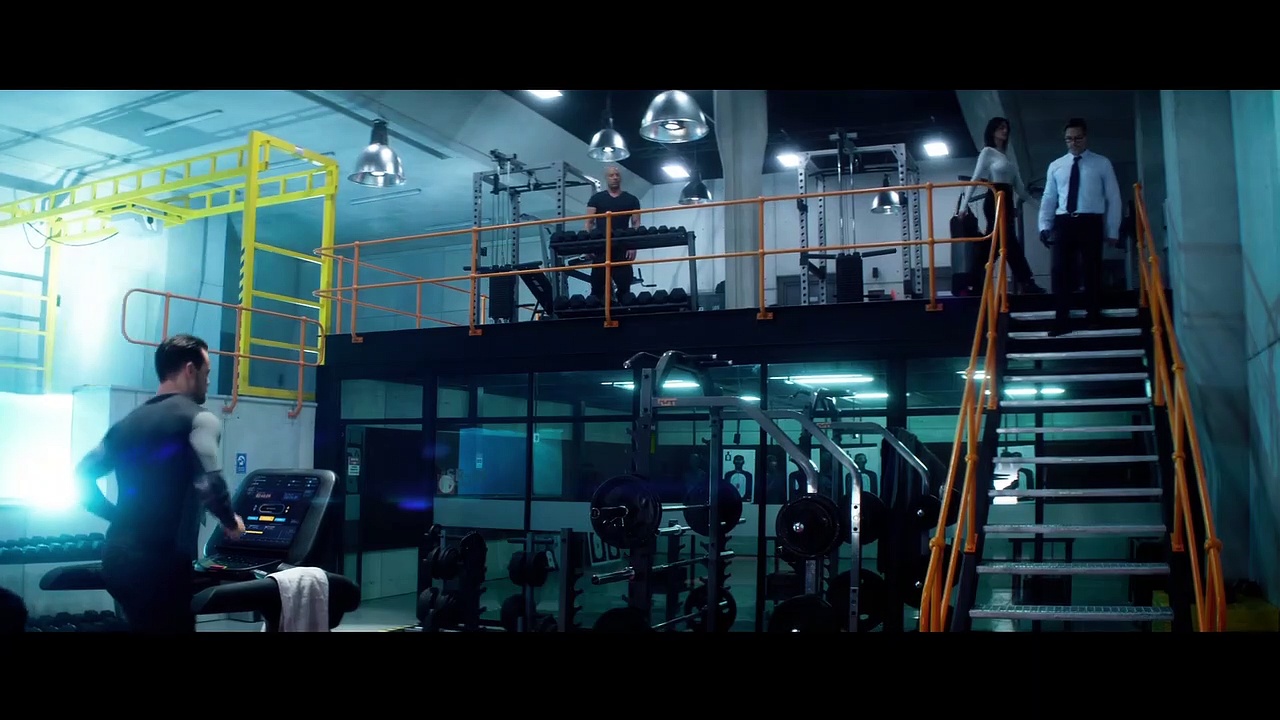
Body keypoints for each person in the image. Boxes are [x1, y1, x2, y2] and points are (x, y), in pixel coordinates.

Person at [74, 333, 245, 634]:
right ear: (190, 370)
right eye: (207, 373)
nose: (208, 381)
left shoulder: (127, 424)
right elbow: (209, 481)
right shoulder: (199, 419)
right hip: (162, 561)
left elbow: (82, 474)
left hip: (116, 557)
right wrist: (230, 522)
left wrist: (116, 516)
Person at [1037, 118, 1123, 337]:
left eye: (1077, 138)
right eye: (1069, 139)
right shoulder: (1056, 165)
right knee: (1060, 270)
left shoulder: (1101, 163)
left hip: (1090, 221)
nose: (1073, 143)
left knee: (1091, 268)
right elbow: (1049, 197)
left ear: (1086, 137)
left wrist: (1113, 230)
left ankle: (1093, 315)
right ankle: (1062, 319)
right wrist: (1044, 225)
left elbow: (1113, 197)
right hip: (1064, 221)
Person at [958, 117, 1046, 294]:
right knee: (1008, 242)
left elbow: (1021, 191)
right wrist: (964, 206)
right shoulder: (988, 152)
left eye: (1006, 128)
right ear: (992, 131)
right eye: (1000, 128)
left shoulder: (1007, 158)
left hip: (1007, 200)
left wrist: (1042, 208)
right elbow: (975, 179)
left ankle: (972, 282)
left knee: (994, 244)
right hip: (994, 200)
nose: (1004, 131)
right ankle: (1026, 282)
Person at [584, 165, 642, 299]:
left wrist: (633, 246)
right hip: (601, 248)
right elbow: (589, 223)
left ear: (620, 178)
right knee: (597, 288)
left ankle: (623, 310)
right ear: (606, 178)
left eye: (617, 175)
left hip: (622, 248)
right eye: (611, 175)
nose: (615, 178)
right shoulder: (596, 199)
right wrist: (588, 246)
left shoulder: (631, 199)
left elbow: (636, 224)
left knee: (624, 289)